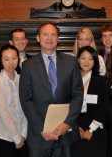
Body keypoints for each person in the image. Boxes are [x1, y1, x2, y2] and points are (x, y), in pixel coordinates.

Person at [19, 23, 83, 157]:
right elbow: (26, 100)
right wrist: (42, 129)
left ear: (58, 38)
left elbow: (77, 95)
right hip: (39, 135)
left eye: (53, 34)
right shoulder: (28, 66)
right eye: (45, 34)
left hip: (66, 134)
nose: (49, 38)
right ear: (38, 38)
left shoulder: (71, 62)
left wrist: (67, 123)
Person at [0, 44, 28, 157]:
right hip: (3, 137)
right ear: (1, 61)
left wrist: (23, 134)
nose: (11, 63)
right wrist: (16, 137)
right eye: (6, 59)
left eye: (14, 58)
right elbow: (2, 111)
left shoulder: (22, 79)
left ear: (18, 59)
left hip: (22, 136)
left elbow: (26, 107)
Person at [72, 46, 109, 157]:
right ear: (78, 60)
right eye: (83, 58)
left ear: (95, 61)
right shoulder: (72, 79)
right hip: (76, 127)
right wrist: (74, 126)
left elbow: (104, 107)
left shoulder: (100, 80)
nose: (86, 62)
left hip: (95, 128)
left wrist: (91, 130)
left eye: (90, 59)